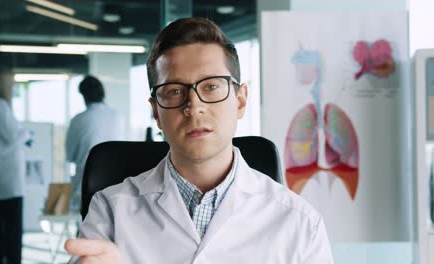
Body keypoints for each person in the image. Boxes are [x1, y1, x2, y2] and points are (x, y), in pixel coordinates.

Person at [65, 17, 334, 263]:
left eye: (211, 86)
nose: (194, 107)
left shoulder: (300, 224)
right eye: (174, 91)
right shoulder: (111, 212)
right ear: (156, 112)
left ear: (240, 101)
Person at [0, 67, 31, 263]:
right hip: (9, 181)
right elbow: (14, 135)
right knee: (12, 229)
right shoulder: (0, 107)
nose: (15, 87)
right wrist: (26, 134)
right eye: (13, 82)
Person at [65, 75, 124, 211]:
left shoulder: (78, 120)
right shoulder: (117, 117)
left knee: (86, 221)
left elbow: (70, 155)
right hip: (115, 179)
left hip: (85, 181)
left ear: (83, 95)